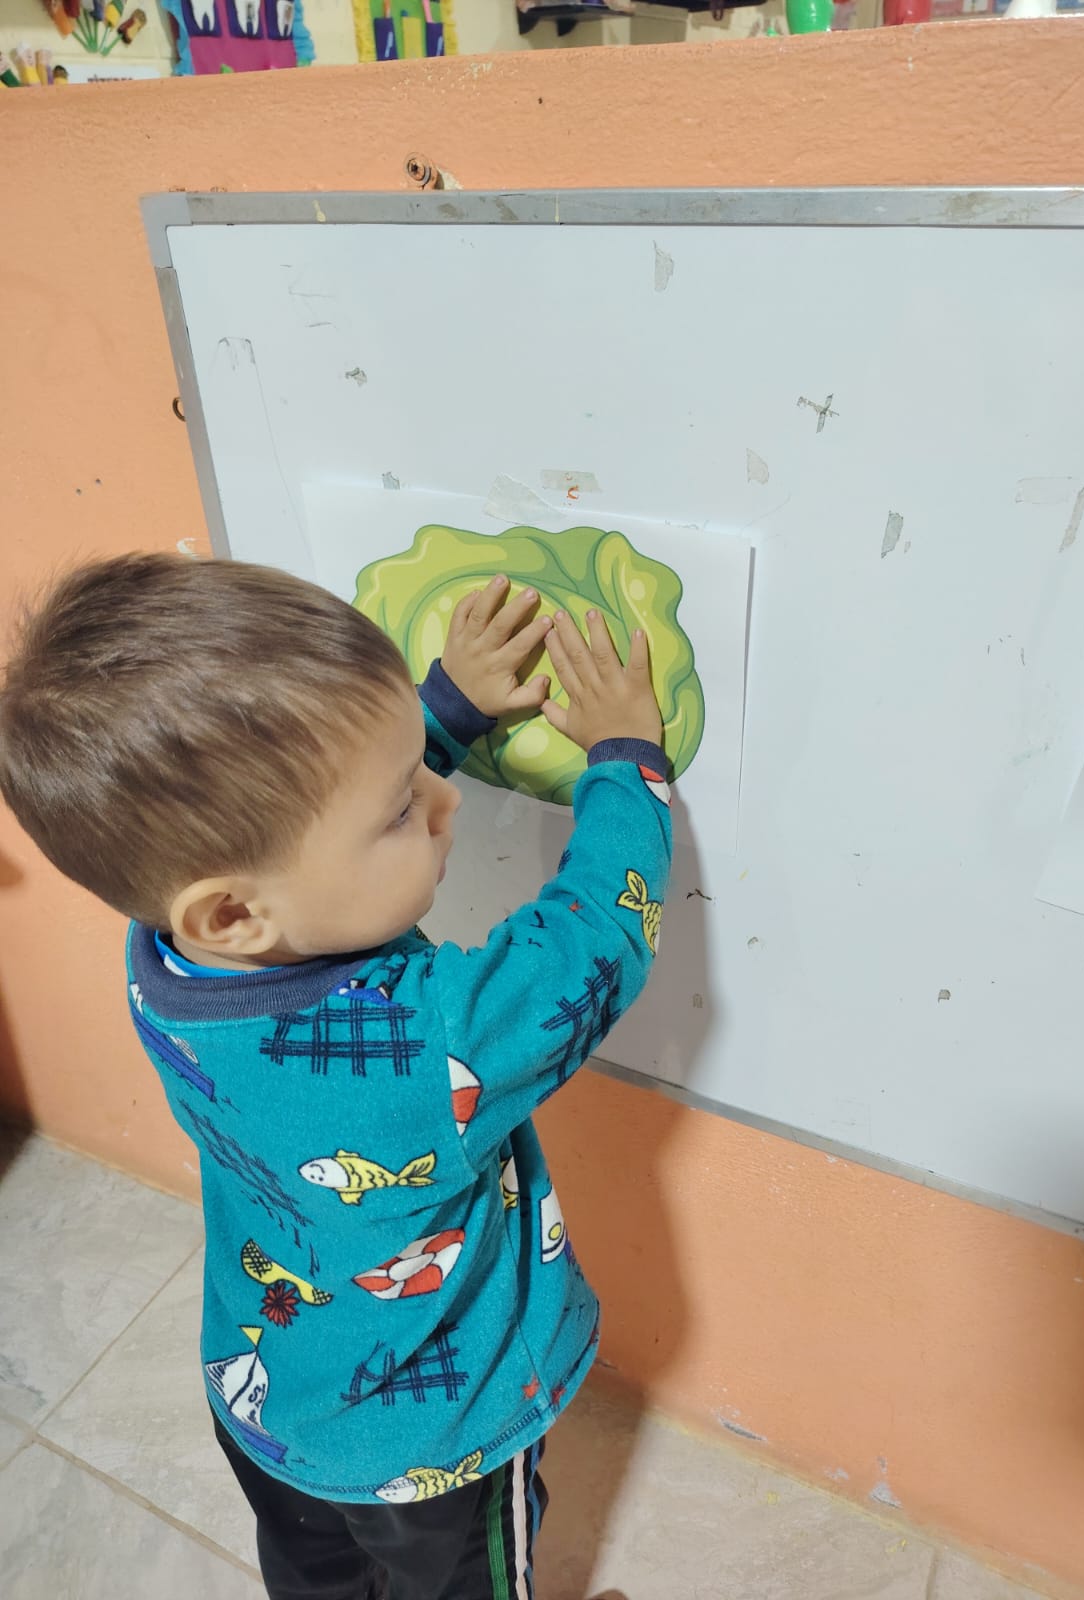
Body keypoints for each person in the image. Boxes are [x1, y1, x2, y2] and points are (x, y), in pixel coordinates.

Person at [0, 553, 672, 1600]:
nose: (444, 803)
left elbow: (300, 837)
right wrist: (628, 762)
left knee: (316, 1578)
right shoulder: (429, 1045)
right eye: (402, 809)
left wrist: (441, 712)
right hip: (436, 1448)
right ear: (233, 909)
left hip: (274, 1406)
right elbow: (593, 944)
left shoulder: (165, 960)